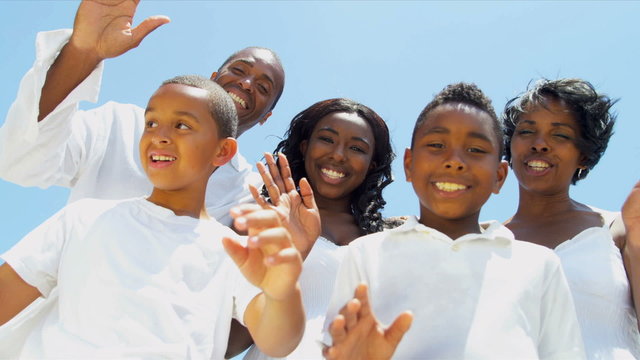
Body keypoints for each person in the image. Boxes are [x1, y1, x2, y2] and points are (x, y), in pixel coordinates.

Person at [0, 75, 307, 359]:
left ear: (222, 151)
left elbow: (278, 342)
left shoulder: (232, 252)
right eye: (151, 123)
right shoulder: (84, 218)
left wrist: (282, 291)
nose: (159, 135)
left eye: (182, 126)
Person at [322, 83, 585, 359]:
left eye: (475, 149)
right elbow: (339, 347)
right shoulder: (365, 254)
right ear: (409, 164)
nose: (454, 161)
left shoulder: (539, 264)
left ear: (499, 176)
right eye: (436, 145)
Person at [0, 0, 285, 226]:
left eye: (263, 87)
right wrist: (82, 52)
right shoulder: (119, 125)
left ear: (266, 117)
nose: (246, 84)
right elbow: (19, 163)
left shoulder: (247, 191)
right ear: (213, 76)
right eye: (238, 70)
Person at [240, 98, 396, 359]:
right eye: (327, 139)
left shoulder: (387, 243)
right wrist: (286, 263)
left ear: (371, 164)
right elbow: (230, 341)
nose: (338, 154)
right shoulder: (265, 220)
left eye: (357, 148)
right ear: (304, 147)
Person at [502, 78, 640, 358]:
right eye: (527, 131)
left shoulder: (619, 227)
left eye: (560, 135)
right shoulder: (483, 241)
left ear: (584, 156)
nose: (540, 144)